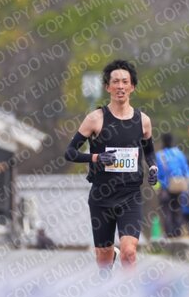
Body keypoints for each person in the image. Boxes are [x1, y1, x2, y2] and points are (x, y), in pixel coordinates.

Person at [64, 59, 158, 270]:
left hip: (130, 196)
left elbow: (149, 151)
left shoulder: (143, 121)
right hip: (102, 196)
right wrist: (96, 158)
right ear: (107, 87)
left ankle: (129, 290)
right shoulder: (95, 119)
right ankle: (107, 277)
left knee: (129, 253)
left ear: (132, 87)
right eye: (115, 82)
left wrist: (153, 167)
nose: (120, 86)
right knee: (104, 260)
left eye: (125, 82)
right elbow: (70, 153)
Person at [155, 133, 189, 238]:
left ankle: (169, 232)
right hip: (178, 185)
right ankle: (178, 231)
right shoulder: (179, 153)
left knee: (166, 210)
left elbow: (157, 173)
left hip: (165, 187)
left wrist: (158, 187)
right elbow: (185, 169)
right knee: (177, 208)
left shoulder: (160, 155)